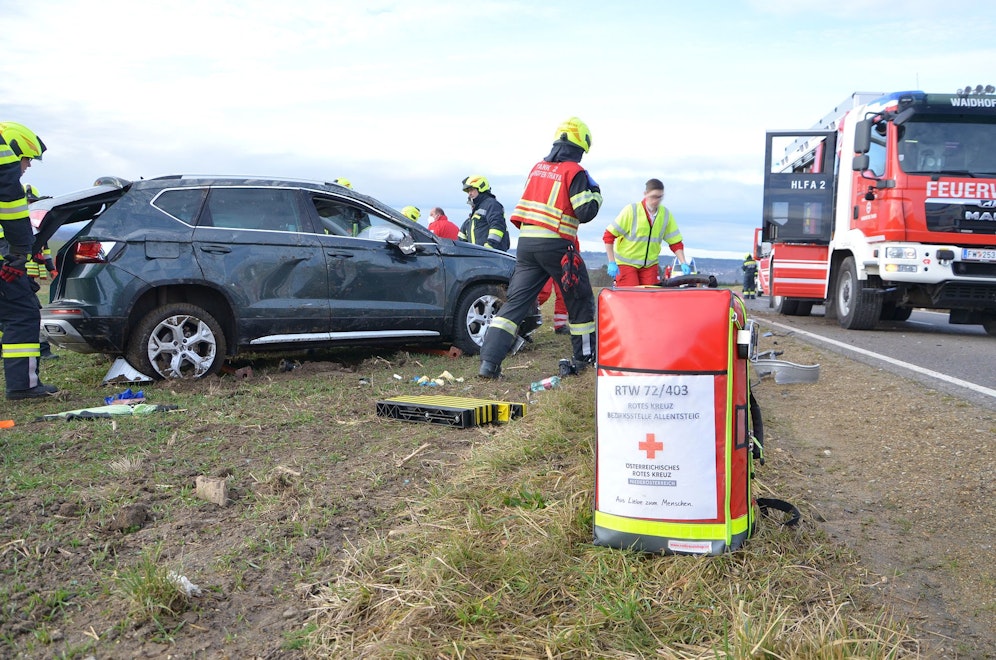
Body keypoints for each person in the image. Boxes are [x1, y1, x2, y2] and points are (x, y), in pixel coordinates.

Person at [478, 117, 602, 378]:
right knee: (580, 299)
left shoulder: (537, 168)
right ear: (581, 146)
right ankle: (584, 359)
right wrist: (596, 194)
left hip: (526, 245)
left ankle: (488, 364)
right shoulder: (575, 172)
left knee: (515, 304)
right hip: (556, 244)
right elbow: (585, 211)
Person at [0, 121, 57, 400]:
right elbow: (11, 210)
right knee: (22, 314)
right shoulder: (4, 159)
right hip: (5, 255)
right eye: (27, 158)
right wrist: (18, 254)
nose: (28, 165)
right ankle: (23, 385)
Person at [603, 178, 689, 286]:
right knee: (632, 294)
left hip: (649, 265)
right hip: (627, 264)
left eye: (660, 197)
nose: (656, 201)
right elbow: (608, 236)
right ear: (645, 194)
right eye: (653, 196)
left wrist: (683, 262)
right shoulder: (631, 211)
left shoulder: (665, 215)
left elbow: (675, 242)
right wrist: (611, 262)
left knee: (651, 294)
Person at [458, 175, 509, 251]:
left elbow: (497, 226)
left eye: (471, 190)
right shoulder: (475, 213)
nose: (469, 194)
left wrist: (489, 247)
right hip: (479, 255)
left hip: (491, 255)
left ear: (481, 188)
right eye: (468, 191)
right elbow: (462, 238)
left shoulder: (491, 205)